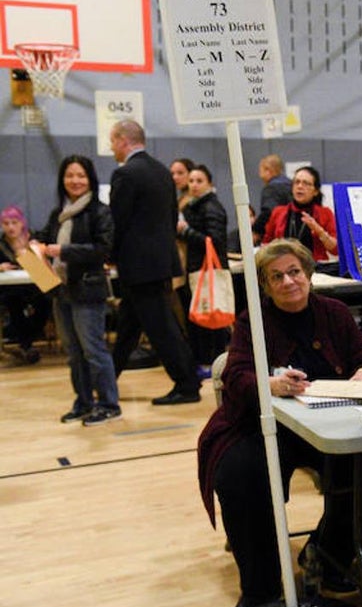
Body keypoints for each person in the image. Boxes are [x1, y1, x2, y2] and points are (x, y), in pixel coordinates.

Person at [197, 239, 362, 607]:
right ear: (264, 284)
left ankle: (328, 553)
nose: (288, 282)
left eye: (294, 272)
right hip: (268, 426)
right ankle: (260, 590)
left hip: (330, 421)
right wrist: (270, 385)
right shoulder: (252, 321)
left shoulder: (336, 312)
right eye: (276, 276)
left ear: (308, 274)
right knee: (239, 475)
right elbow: (237, 373)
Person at [107, 120, 201, 405]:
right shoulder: (162, 171)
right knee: (128, 327)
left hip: (138, 266)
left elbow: (118, 222)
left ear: (123, 140)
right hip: (159, 262)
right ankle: (107, 379)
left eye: (112, 141)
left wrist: (109, 257)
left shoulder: (125, 174)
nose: (112, 148)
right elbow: (172, 219)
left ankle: (187, 385)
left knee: (161, 329)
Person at [33, 156, 120, 425]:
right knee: (73, 353)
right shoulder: (58, 212)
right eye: (69, 175)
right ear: (62, 180)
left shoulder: (100, 212)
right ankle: (83, 402)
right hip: (61, 291)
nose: (75, 181)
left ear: (90, 179)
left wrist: (64, 251)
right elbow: (46, 238)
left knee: (94, 351)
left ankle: (108, 405)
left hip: (88, 290)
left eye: (80, 175)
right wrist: (36, 243)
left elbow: (104, 249)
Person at [177, 163, 230, 379]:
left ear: (210, 184)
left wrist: (186, 231)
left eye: (199, 181)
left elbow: (214, 241)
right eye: (191, 181)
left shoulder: (211, 207)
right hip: (197, 270)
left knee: (212, 320)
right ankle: (203, 362)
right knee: (199, 320)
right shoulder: (192, 206)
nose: (194, 185)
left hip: (208, 271)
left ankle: (213, 363)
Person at [0, 205, 48, 363]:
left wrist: (32, 254)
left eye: (14, 222)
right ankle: (26, 345)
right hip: (11, 287)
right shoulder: (1, 244)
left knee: (46, 300)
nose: (10, 227)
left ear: (22, 223)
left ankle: (25, 343)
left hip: (36, 283)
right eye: (6, 223)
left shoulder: (34, 238)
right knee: (13, 301)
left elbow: (44, 270)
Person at [261, 165, 338, 261]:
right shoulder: (278, 212)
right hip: (283, 266)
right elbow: (266, 244)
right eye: (296, 182)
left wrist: (319, 231)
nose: (300, 186)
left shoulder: (325, 213)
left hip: (315, 269)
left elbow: (335, 250)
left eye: (306, 183)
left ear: (315, 191)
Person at [252, 154, 292, 244]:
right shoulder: (292, 185)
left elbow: (268, 212)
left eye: (260, 170)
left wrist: (255, 230)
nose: (260, 175)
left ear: (268, 171)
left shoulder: (271, 189)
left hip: (278, 237)